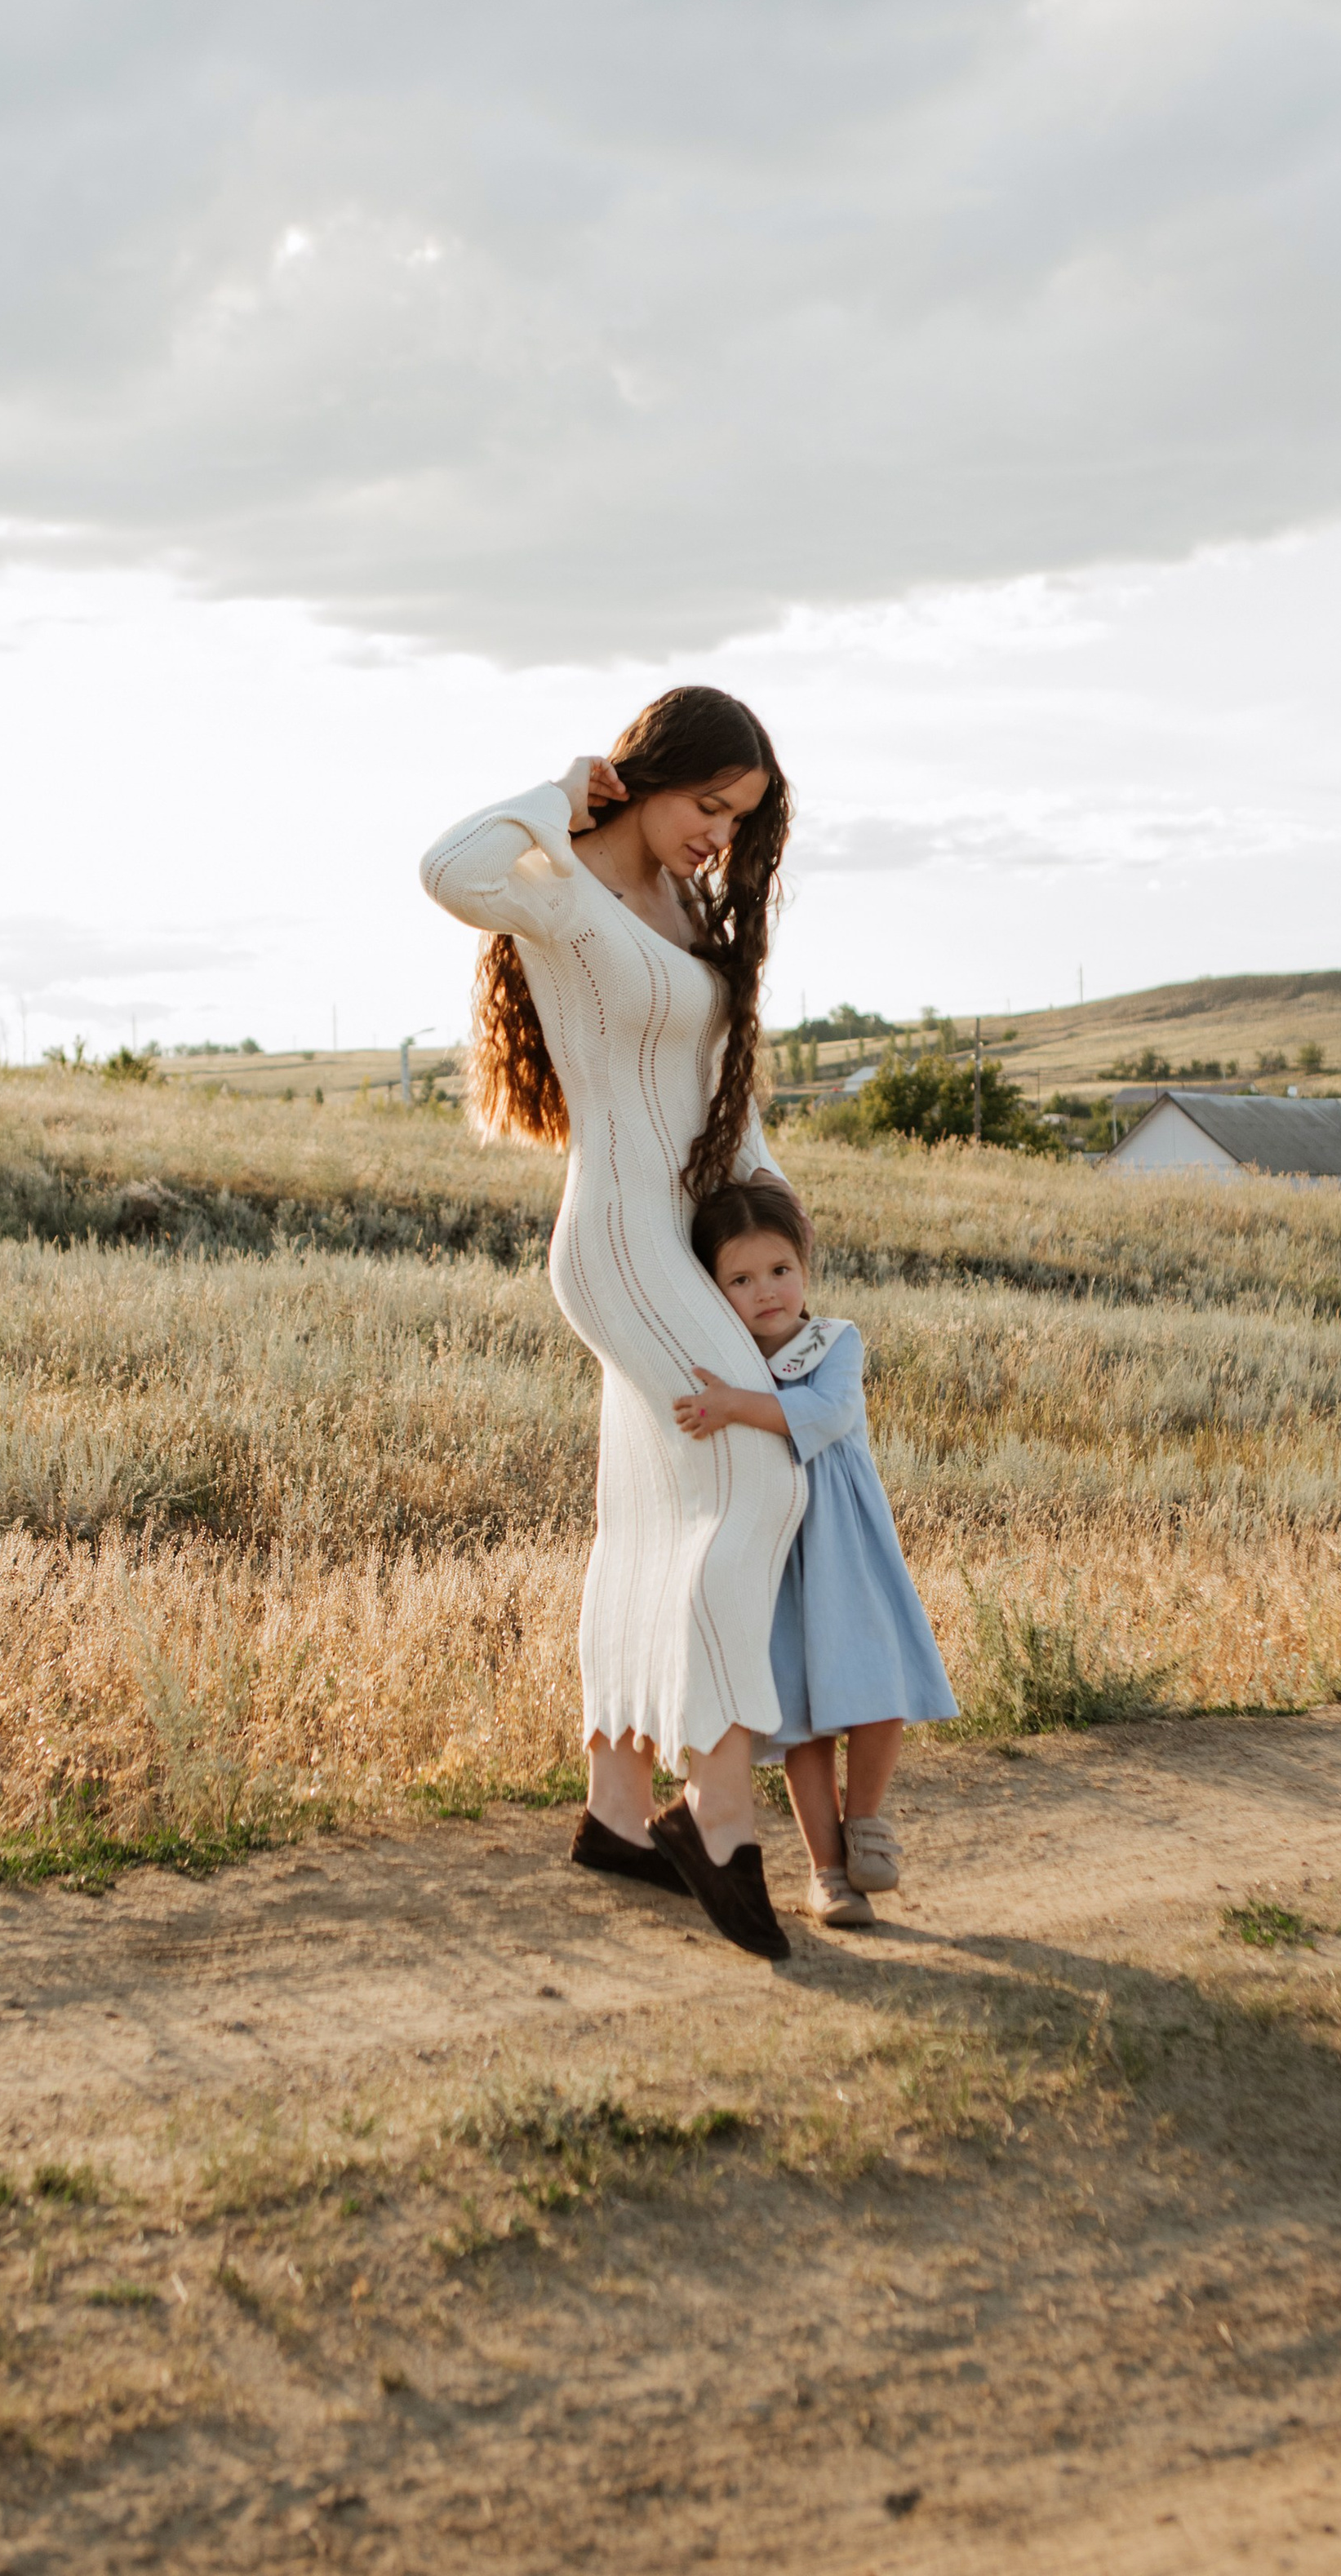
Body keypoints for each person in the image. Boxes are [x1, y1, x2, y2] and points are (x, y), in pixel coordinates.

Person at [420, 689, 801, 1960]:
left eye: (740, 820)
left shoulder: (694, 913)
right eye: (708, 805)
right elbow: (445, 866)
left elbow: (718, 1095)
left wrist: (777, 1239)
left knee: (650, 1512)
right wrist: (560, 787)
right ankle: (720, 1807)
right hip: (615, 1243)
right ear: (643, 781)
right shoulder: (557, 885)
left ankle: (616, 1814)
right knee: (759, 1473)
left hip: (692, 1243)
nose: (719, 837)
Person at [675, 1177, 957, 1926]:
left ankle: (866, 1821)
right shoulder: (723, 1361)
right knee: (801, 1716)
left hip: (847, 1544)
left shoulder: (835, 1342)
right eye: (740, 1279)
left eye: (779, 1271)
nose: (765, 1291)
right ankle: (828, 1874)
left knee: (878, 1686)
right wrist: (727, 1397)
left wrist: (736, 1405)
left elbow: (826, 1414)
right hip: (779, 1555)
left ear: (805, 1270)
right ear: (715, 1290)